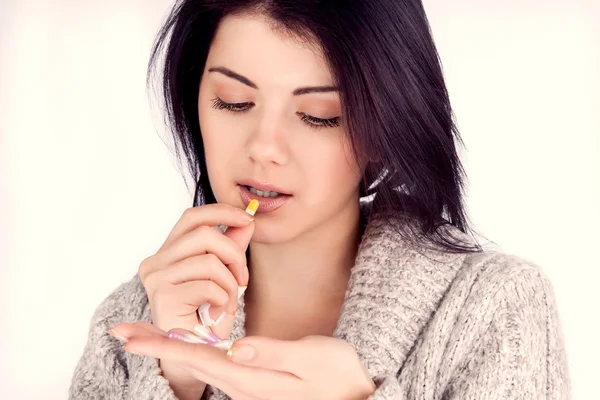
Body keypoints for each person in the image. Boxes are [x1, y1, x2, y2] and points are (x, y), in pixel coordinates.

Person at [69, 1, 570, 399]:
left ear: (386, 126)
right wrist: (174, 380)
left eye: (319, 115)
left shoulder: (494, 306)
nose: (263, 146)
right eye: (234, 102)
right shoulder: (135, 315)